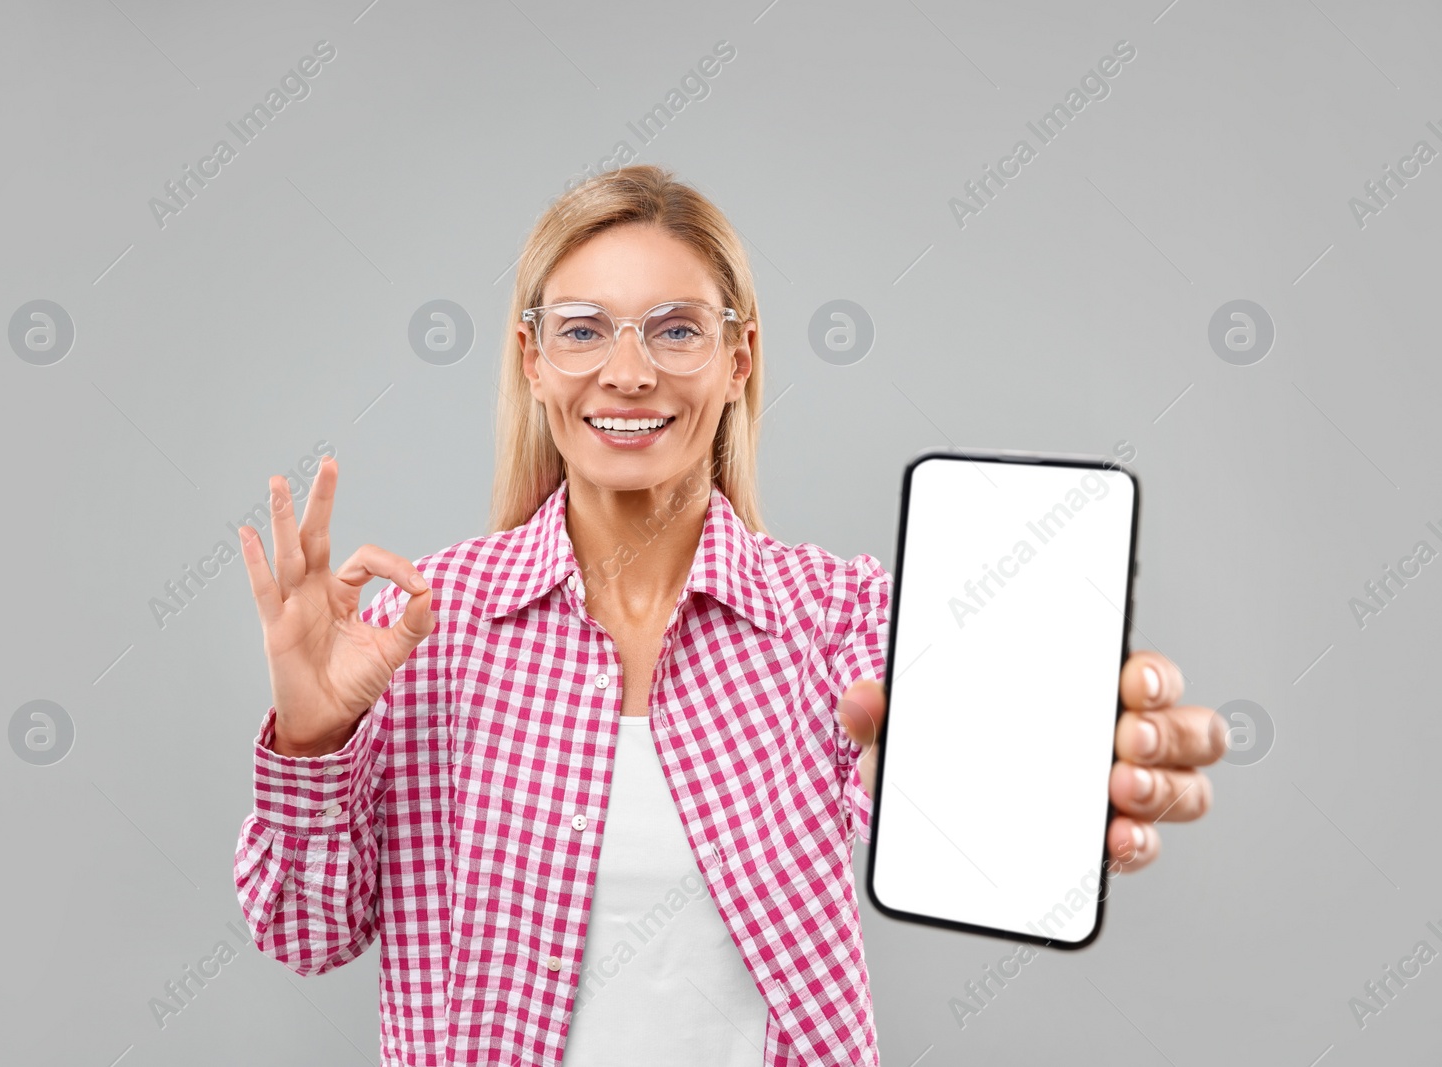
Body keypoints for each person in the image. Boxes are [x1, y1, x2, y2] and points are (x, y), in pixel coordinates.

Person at [232, 164, 1222, 1066]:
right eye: (582, 329)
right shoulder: (424, 629)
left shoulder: (837, 619)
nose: (628, 372)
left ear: (738, 356)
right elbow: (305, 934)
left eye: (675, 328)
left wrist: (1068, 763)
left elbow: (962, 756)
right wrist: (316, 735)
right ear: (532, 360)